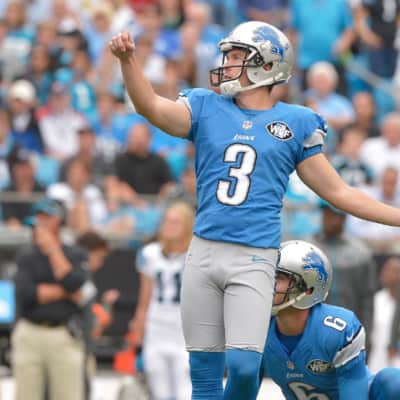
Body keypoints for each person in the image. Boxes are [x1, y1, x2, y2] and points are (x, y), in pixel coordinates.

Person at [109, 21, 400, 399]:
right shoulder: (205, 106)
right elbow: (149, 106)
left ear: (267, 64)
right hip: (204, 250)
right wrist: (128, 62)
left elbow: (339, 192)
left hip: (255, 255)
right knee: (204, 374)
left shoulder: (295, 122)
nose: (226, 64)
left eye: (236, 56)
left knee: (245, 368)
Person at [259, 240, 400, 399]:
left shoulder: (336, 329)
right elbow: (243, 389)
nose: (269, 284)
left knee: (393, 382)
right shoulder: (258, 328)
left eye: (279, 277)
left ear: (308, 289)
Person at [11, 197, 88, 400]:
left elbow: (76, 284)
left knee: (69, 395)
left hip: (63, 332)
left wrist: (53, 250)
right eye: (38, 218)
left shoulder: (75, 253)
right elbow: (26, 294)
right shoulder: (26, 256)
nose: (40, 223)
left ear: (58, 220)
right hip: (30, 331)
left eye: (46, 217)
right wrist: (65, 292)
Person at [130, 201, 194, 400]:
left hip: (185, 330)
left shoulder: (196, 254)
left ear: (188, 225)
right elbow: (145, 297)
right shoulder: (150, 253)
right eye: (167, 221)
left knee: (185, 391)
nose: (169, 226)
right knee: (159, 392)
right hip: (156, 328)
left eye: (176, 222)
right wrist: (138, 327)